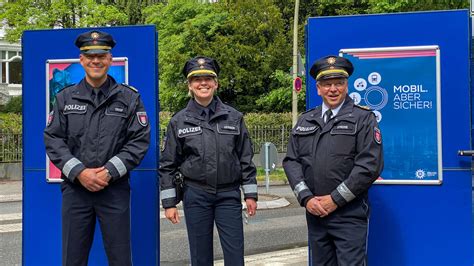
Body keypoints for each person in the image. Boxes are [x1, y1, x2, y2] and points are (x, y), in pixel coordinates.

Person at [44, 30, 150, 266]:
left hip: (114, 190)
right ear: (81, 60)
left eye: (101, 56)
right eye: (89, 55)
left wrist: (108, 172)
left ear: (110, 59)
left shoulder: (129, 98)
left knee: (120, 258)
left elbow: (139, 142)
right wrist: (80, 172)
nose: (95, 60)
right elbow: (53, 139)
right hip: (75, 191)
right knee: (73, 258)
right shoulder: (64, 98)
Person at [283, 55, 384, 266]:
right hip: (316, 214)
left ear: (346, 86)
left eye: (338, 83)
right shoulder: (306, 120)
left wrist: (335, 199)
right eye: (327, 84)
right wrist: (306, 197)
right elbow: (292, 161)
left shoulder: (363, 118)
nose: (333, 89)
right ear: (318, 88)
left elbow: (369, 166)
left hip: (349, 214)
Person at [159, 56, 258, 266]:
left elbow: (245, 158)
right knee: (200, 256)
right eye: (197, 79)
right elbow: (167, 164)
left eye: (208, 78)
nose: (203, 83)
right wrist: (169, 203)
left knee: (235, 256)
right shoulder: (178, 121)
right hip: (196, 194)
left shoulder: (234, 117)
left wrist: (250, 194)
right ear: (190, 85)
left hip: (228, 195)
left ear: (216, 83)